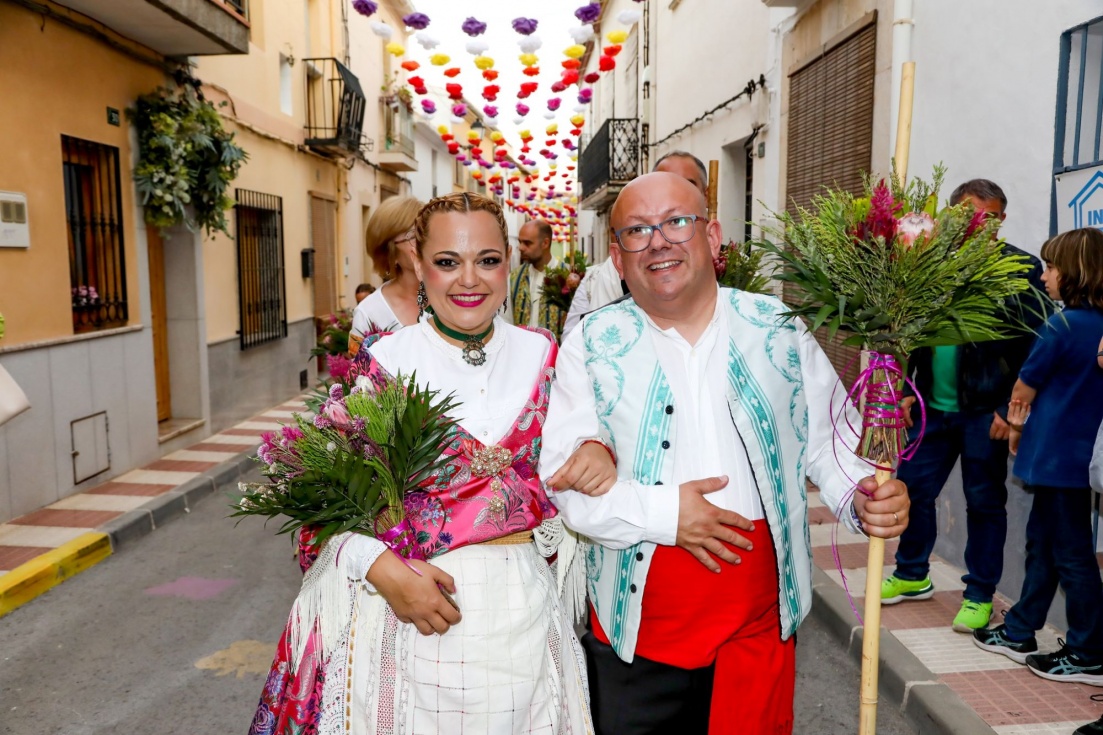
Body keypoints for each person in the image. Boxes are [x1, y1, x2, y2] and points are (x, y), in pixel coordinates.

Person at [540, 171, 911, 734]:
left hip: (758, 620)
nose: (658, 241)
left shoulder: (778, 329)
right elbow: (568, 489)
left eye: (677, 222)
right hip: (638, 628)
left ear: (712, 237)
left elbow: (831, 445)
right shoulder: (589, 345)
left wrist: (863, 497)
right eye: (638, 231)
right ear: (617, 259)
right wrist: (670, 515)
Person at [250, 192, 617, 734]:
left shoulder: (544, 352)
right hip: (414, 621)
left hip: (527, 617)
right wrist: (383, 571)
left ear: (507, 263)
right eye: (448, 262)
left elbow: (579, 436)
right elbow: (323, 510)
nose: (469, 279)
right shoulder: (384, 364)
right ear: (419, 265)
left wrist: (595, 446)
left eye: (487, 260)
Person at [881, 179, 1046, 633]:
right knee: (912, 490)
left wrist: (1007, 408)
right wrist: (905, 392)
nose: (980, 224)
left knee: (984, 502)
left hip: (984, 410)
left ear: (1002, 220)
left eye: (990, 217)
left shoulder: (1019, 267)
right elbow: (909, 328)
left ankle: (978, 595)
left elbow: (1033, 345)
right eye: (971, 215)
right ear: (951, 215)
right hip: (932, 404)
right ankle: (912, 574)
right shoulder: (927, 257)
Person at [973, 227, 1103, 688]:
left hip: (1056, 458)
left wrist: (1015, 426)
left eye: (1051, 267)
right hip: (1077, 459)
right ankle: (1020, 629)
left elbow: (1024, 388)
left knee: (1070, 556)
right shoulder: (1099, 326)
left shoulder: (1062, 324)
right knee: (1045, 546)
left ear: (1076, 274)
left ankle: (1089, 651)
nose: (1045, 275)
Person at [563, 151, 710, 336]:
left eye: (688, 184)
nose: (676, 191)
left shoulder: (737, 267)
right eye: (664, 184)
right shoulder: (614, 272)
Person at [349, 197, 422, 355]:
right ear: (389, 252)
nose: (425, 243)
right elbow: (359, 375)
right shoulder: (368, 314)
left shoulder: (452, 294)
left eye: (428, 233)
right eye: (414, 237)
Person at [509, 218, 563, 339]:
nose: (521, 247)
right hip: (521, 352)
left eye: (527, 243)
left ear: (545, 243)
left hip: (557, 354)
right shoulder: (514, 277)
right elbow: (506, 320)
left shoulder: (566, 276)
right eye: (520, 242)